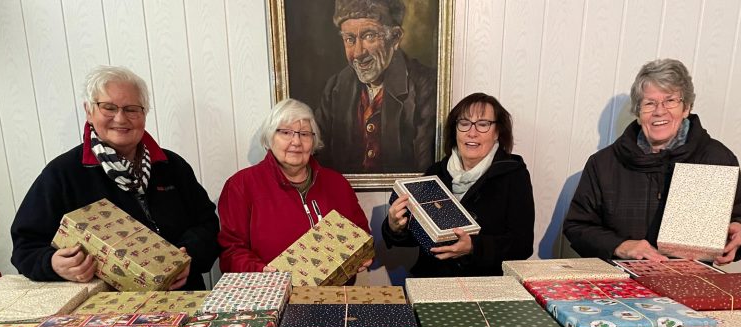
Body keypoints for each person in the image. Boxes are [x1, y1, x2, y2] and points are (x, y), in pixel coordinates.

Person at [10, 65, 220, 290]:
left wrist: (188, 257)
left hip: (183, 296)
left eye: (132, 109)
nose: (120, 118)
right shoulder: (63, 173)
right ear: (89, 112)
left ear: (144, 114)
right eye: (108, 107)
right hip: (106, 312)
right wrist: (52, 264)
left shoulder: (171, 165)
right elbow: (26, 246)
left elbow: (207, 224)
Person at [563, 58, 741, 264]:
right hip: (621, 286)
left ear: (686, 107)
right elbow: (577, 226)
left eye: (670, 100)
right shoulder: (604, 164)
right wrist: (620, 246)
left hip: (691, 285)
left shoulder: (717, 159)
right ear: (638, 112)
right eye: (649, 103)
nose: (659, 111)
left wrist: (740, 231)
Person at [381, 93, 535, 277]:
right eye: (464, 123)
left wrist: (473, 247)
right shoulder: (435, 173)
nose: (472, 132)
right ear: (455, 130)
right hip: (431, 283)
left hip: (484, 287)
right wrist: (394, 227)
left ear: (497, 132)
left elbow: (522, 245)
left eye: (483, 124)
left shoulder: (514, 175)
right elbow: (416, 237)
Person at [217, 98, 371, 273]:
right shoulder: (241, 186)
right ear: (270, 137)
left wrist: (362, 254)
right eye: (286, 132)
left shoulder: (337, 184)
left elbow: (361, 234)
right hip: (272, 293)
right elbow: (231, 252)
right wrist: (261, 270)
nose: (296, 142)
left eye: (304, 134)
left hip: (334, 293)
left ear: (313, 141)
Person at [315, 0, 437, 174]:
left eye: (369, 36)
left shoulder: (425, 86)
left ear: (395, 38)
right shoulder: (335, 88)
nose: (358, 53)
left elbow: (425, 170)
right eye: (349, 39)